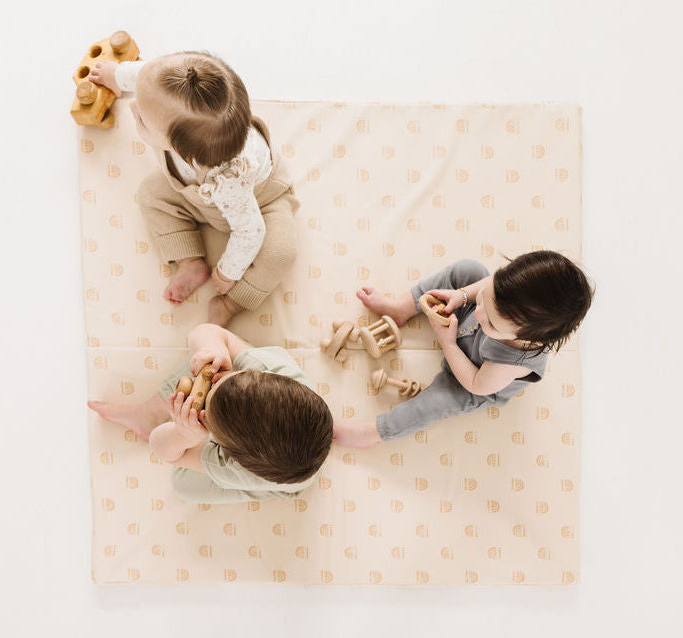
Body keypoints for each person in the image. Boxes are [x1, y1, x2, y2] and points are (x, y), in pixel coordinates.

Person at [88, 51, 298, 326]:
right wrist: (116, 76)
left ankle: (231, 303)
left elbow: (250, 231)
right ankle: (190, 262)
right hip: (196, 195)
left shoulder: (229, 180)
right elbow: (148, 76)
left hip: (260, 201)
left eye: (142, 121)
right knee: (150, 194)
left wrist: (228, 272)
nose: (132, 108)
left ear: (183, 153)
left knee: (280, 254)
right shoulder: (173, 88)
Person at [333, 250, 594, 447]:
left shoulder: (512, 362)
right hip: (463, 326)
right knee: (468, 269)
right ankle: (402, 307)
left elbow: (476, 384)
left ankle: (374, 432)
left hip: (468, 373)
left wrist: (448, 344)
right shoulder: (491, 300)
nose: (479, 313)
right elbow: (484, 290)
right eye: (485, 299)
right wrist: (465, 296)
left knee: (435, 403)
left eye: (491, 322)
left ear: (530, 338)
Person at [88, 323, 333, 503]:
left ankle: (159, 422)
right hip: (277, 426)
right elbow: (205, 331)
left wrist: (184, 435)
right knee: (204, 360)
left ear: (222, 445)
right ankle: (149, 414)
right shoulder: (270, 369)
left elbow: (166, 452)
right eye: (227, 378)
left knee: (182, 485)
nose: (214, 379)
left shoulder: (233, 468)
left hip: (279, 481)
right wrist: (215, 349)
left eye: (210, 395)